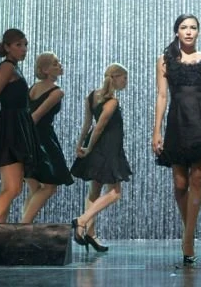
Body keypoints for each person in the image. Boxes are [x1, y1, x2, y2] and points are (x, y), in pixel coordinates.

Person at [152, 14, 201, 265]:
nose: (188, 31)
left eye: (193, 28)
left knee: (197, 179)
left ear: (198, 32)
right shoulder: (165, 60)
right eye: (184, 27)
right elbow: (162, 96)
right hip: (177, 123)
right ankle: (189, 230)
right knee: (179, 184)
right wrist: (156, 131)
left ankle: (188, 240)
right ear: (176, 31)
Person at [0, 29, 44, 223]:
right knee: (13, 188)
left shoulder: (14, 67)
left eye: (25, 44)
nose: (24, 49)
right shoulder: (7, 67)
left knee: (10, 188)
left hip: (16, 128)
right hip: (9, 129)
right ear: (7, 47)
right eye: (18, 45)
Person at [70, 63, 132, 252]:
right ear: (115, 77)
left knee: (94, 190)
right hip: (108, 148)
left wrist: (80, 143)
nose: (126, 82)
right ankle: (81, 220)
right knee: (115, 193)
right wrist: (87, 148)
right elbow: (99, 127)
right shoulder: (112, 101)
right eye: (125, 78)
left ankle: (89, 233)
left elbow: (87, 124)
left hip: (95, 146)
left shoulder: (91, 96)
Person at [22, 52, 74, 223]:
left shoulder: (33, 88)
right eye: (54, 63)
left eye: (59, 62)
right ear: (45, 70)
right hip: (42, 139)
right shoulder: (57, 92)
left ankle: (22, 226)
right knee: (50, 186)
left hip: (26, 138)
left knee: (35, 188)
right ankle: (23, 226)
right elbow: (36, 117)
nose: (59, 65)